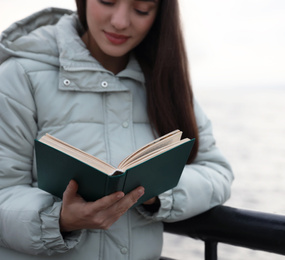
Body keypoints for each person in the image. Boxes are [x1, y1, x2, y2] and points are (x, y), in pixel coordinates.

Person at [0, 0, 233, 259]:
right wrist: (59, 219)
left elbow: (217, 172)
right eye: (107, 1)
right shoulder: (19, 76)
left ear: (160, 14)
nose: (120, 21)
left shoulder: (165, 81)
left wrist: (157, 191)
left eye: (142, 8)